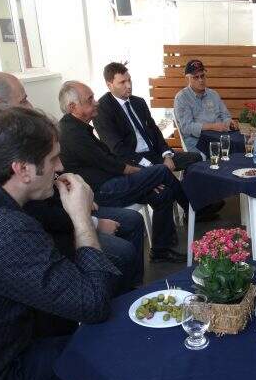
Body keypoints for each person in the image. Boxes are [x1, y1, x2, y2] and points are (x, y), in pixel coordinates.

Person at [0, 106, 118, 380]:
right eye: (53, 159)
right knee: (109, 341)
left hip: (9, 340)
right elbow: (93, 303)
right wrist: (82, 218)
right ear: (23, 170)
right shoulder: (5, 228)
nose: (60, 167)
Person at [0, 71, 144, 292]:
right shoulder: (7, 229)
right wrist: (87, 221)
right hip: (55, 233)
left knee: (139, 211)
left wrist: (67, 191)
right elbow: (89, 300)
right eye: (23, 100)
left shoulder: (18, 152)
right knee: (124, 251)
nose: (30, 106)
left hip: (63, 216)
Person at [58, 80, 188, 263]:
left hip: (113, 181)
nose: (96, 102)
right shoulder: (72, 133)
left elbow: (110, 159)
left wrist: (146, 179)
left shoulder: (78, 126)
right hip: (101, 191)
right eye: (90, 99)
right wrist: (145, 176)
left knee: (163, 193)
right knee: (161, 170)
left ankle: (160, 250)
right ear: (73, 107)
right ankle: (191, 207)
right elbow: (114, 164)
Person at [94, 62, 223, 221]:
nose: (129, 85)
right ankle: (194, 209)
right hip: (133, 161)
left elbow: (155, 132)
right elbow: (117, 149)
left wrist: (166, 155)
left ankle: (196, 204)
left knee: (195, 158)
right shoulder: (103, 109)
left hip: (155, 153)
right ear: (109, 85)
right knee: (163, 175)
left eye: (129, 80)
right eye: (122, 82)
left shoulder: (138, 102)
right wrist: (150, 166)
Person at [173, 59, 241, 157]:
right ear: (188, 78)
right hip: (197, 142)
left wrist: (230, 123)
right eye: (196, 77)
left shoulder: (213, 94)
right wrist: (212, 126)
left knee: (242, 145)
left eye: (202, 76)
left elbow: (225, 116)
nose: (200, 80)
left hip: (220, 137)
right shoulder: (182, 98)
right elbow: (187, 128)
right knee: (232, 152)